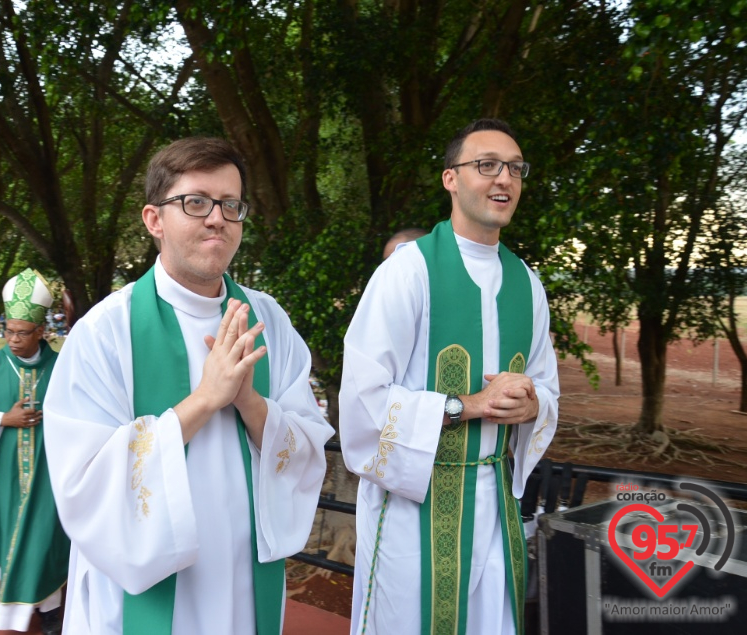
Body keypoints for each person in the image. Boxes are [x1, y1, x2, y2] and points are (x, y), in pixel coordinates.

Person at [43, 137, 334, 634]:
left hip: (244, 574)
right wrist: (204, 401)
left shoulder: (269, 321)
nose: (216, 217)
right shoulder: (104, 331)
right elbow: (83, 479)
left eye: (230, 204)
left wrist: (249, 402)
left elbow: (308, 444)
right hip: (143, 584)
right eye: (195, 202)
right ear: (154, 220)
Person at [339, 119, 559, 635]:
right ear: (451, 179)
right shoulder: (409, 270)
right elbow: (362, 399)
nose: (503, 178)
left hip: (496, 503)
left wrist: (534, 406)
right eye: (486, 165)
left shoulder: (528, 285)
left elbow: (547, 388)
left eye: (514, 168)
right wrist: (471, 404)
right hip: (414, 509)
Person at [0, 269, 69, 635]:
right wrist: (3, 418)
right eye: (9, 331)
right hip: (3, 474)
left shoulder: (62, 366)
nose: (13, 339)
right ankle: (16, 602)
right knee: (10, 536)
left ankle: (50, 610)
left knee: (45, 538)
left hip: (50, 473)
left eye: (22, 332)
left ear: (41, 332)